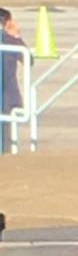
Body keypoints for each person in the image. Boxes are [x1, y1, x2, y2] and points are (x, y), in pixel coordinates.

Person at [0, 9, 22, 155]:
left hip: (6, 97)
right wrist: (16, 38)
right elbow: (28, 59)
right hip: (8, 97)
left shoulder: (9, 40)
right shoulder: (10, 40)